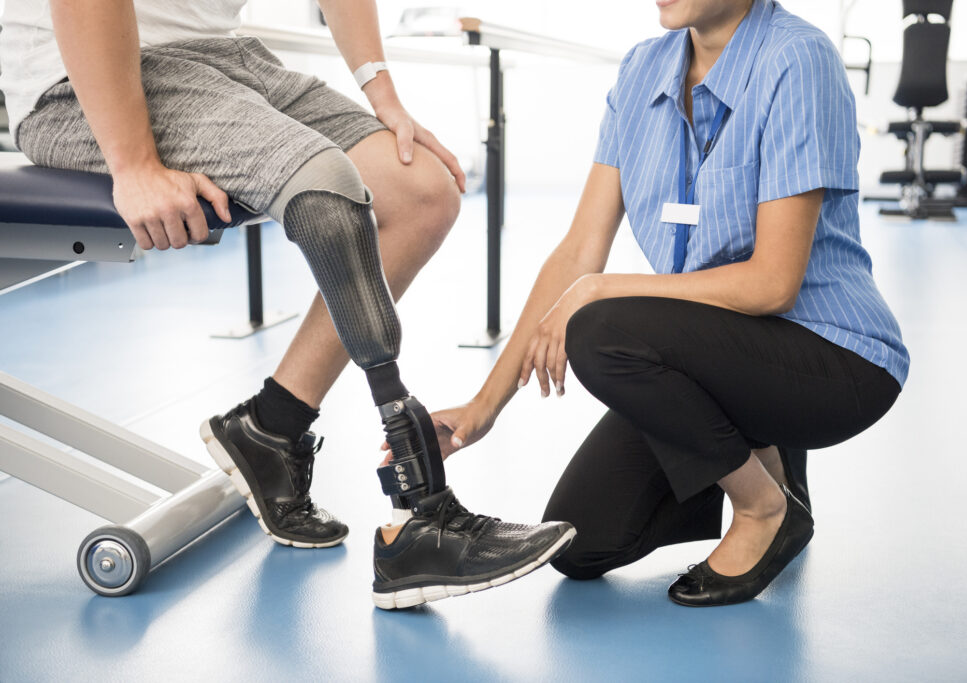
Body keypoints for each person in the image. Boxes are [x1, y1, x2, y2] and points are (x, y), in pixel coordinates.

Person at [0, 0, 575, 609]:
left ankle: (271, 429)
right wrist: (134, 162)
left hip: (226, 58)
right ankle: (422, 514)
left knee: (421, 191)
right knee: (325, 188)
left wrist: (384, 97)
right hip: (85, 79)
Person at [422, 0, 909, 607]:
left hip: (831, 357)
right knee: (581, 543)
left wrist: (601, 289)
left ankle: (764, 508)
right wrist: (482, 408)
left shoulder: (797, 59)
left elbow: (771, 286)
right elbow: (579, 252)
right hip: (719, 353)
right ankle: (762, 460)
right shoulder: (643, 70)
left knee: (600, 329)